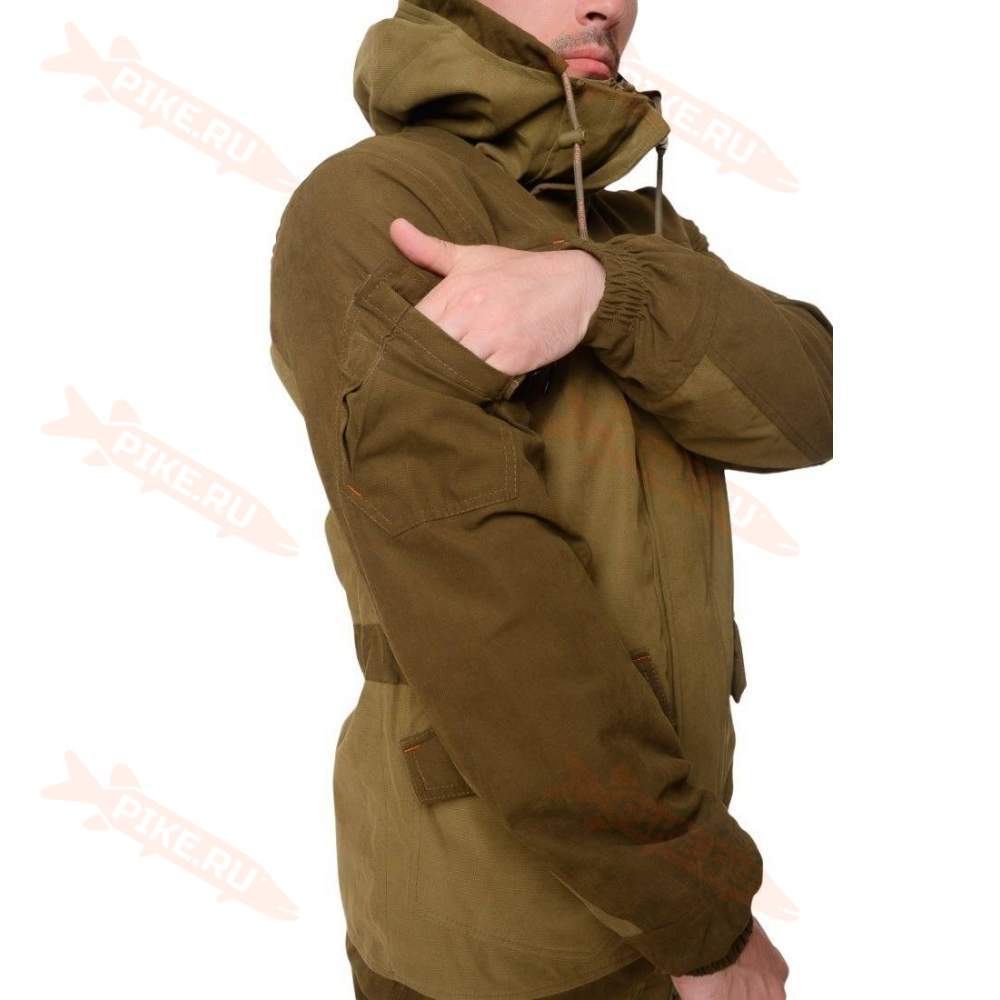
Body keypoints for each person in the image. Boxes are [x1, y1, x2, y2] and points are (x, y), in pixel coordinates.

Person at [268, 0, 833, 997]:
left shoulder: (637, 229)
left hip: (665, 880)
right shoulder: (371, 202)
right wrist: (700, 914)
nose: (605, 6)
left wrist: (600, 291)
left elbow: (809, 407)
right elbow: (481, 603)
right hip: (496, 935)